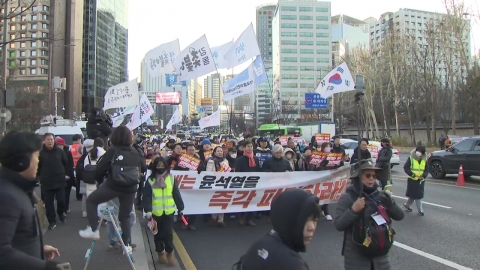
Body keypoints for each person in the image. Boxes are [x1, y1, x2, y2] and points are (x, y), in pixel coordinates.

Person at [0, 131, 65, 269]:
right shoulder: (7, 197)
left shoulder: (17, 190)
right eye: (36, 156)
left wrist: (38, 248)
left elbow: (17, 237)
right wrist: (45, 267)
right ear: (21, 162)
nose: (38, 161)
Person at [79, 126, 145, 255]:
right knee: (125, 216)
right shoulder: (136, 151)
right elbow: (143, 168)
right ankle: (126, 244)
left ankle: (93, 230)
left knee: (92, 201)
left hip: (113, 186)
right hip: (131, 188)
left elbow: (100, 169)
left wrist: (99, 181)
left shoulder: (112, 151)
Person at [334, 160, 404, 270]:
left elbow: (400, 216)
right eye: (368, 175)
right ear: (358, 176)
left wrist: (391, 205)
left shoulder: (381, 196)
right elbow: (339, 224)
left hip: (380, 257)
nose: (372, 178)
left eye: (374, 176)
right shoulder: (348, 197)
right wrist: (353, 210)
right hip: (357, 257)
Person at [235, 189, 320, 270]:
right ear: (287, 219)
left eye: (315, 220)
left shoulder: (260, 244)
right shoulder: (292, 264)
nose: (312, 227)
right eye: (305, 220)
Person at [143, 156, 184, 266]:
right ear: (154, 167)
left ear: (166, 166)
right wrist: (147, 210)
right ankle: (160, 252)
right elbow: (146, 196)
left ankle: (170, 253)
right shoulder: (150, 180)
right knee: (157, 234)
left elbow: (176, 194)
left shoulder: (171, 178)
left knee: (168, 234)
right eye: (158, 165)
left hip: (169, 212)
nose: (160, 167)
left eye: (162, 165)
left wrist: (181, 207)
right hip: (155, 213)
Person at [38, 133, 68, 230]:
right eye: (48, 139)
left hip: (59, 181)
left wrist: (65, 174)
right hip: (46, 182)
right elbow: (38, 167)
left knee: (61, 200)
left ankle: (61, 213)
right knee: (48, 203)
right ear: (44, 141)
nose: (50, 141)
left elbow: (65, 162)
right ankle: (52, 221)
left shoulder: (59, 151)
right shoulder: (40, 153)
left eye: (51, 139)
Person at [235, 141, 261, 226]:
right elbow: (237, 172)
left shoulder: (255, 159)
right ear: (244, 148)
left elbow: (258, 171)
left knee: (252, 201)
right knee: (243, 200)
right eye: (248, 146)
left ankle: (249, 219)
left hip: (254, 183)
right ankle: (241, 216)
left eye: (251, 146)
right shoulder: (240, 160)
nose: (250, 148)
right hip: (243, 183)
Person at [205, 146, 231, 228]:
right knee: (216, 200)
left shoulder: (225, 160)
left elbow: (228, 170)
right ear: (214, 152)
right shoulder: (211, 161)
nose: (220, 152)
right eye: (218, 151)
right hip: (214, 183)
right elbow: (208, 172)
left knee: (223, 200)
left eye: (221, 151)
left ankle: (220, 220)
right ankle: (213, 217)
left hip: (224, 183)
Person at [403, 146, 428, 216]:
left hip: (421, 180)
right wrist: (412, 174)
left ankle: (407, 205)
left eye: (421, 152)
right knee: (417, 196)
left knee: (414, 195)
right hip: (412, 180)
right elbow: (406, 168)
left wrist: (424, 175)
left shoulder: (424, 159)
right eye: (418, 151)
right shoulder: (411, 158)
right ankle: (420, 211)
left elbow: (426, 170)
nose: (419, 153)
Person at [55, 137, 75, 215]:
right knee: (59, 195)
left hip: (67, 177)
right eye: (58, 145)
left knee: (66, 194)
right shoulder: (54, 153)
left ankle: (66, 208)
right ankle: (61, 209)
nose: (59, 146)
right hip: (58, 177)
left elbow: (70, 165)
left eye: (61, 145)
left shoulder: (68, 152)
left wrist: (67, 175)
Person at [70, 134, 84, 200]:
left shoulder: (71, 147)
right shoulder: (80, 146)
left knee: (77, 181)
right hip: (80, 166)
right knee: (80, 181)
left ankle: (78, 195)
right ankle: (80, 195)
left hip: (73, 165)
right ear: (79, 139)